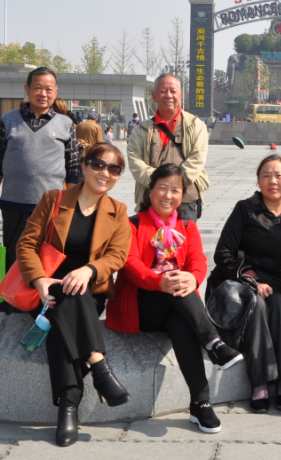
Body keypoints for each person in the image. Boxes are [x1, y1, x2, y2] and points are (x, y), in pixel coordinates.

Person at [106, 164, 242, 434]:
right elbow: (130, 264)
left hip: (175, 306)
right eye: (162, 188)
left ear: (182, 195)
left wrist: (193, 278)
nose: (168, 195)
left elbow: (198, 261)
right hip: (141, 304)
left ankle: (201, 403)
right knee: (175, 283)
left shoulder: (187, 227)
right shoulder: (133, 223)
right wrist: (159, 281)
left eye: (175, 190)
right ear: (150, 191)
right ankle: (214, 343)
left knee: (181, 317)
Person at [16, 142, 132, 447]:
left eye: (114, 169)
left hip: (89, 292)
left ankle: (68, 406)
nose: (105, 173)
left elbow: (117, 256)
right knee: (62, 294)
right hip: (44, 291)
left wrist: (89, 270)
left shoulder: (118, 211)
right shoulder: (53, 199)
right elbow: (26, 244)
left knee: (72, 294)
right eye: (98, 165)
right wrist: (39, 280)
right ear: (83, 166)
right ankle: (98, 368)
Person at [207, 155, 281, 413]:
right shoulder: (245, 209)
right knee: (258, 307)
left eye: (278, 175)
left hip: (273, 284)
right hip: (237, 282)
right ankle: (260, 383)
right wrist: (252, 281)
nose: (272, 181)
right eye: (266, 175)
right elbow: (223, 254)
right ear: (258, 180)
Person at [0, 67, 80, 277]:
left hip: (51, 207)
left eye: (49, 89)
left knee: (46, 261)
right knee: (14, 259)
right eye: (38, 88)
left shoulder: (66, 124)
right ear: (27, 89)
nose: (43, 93)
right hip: (14, 204)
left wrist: (72, 205)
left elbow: (73, 168)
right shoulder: (9, 120)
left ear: (56, 92)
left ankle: (42, 296)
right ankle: (11, 296)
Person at [128, 73, 209, 222]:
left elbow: (197, 160)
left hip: (185, 199)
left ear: (180, 95)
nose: (168, 95)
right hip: (150, 199)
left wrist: (173, 185)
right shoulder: (141, 130)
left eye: (173, 91)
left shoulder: (195, 125)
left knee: (182, 237)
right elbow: (135, 161)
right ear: (154, 96)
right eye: (163, 91)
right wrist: (158, 184)